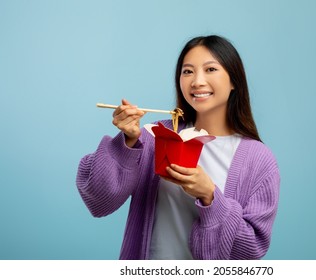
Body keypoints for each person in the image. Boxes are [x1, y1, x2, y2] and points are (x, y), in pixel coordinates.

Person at [76, 35, 280, 260]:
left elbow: (250, 250)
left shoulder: (259, 159)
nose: (197, 81)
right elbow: (98, 200)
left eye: (210, 69)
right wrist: (128, 142)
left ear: (234, 81)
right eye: (187, 71)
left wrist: (209, 195)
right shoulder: (154, 137)